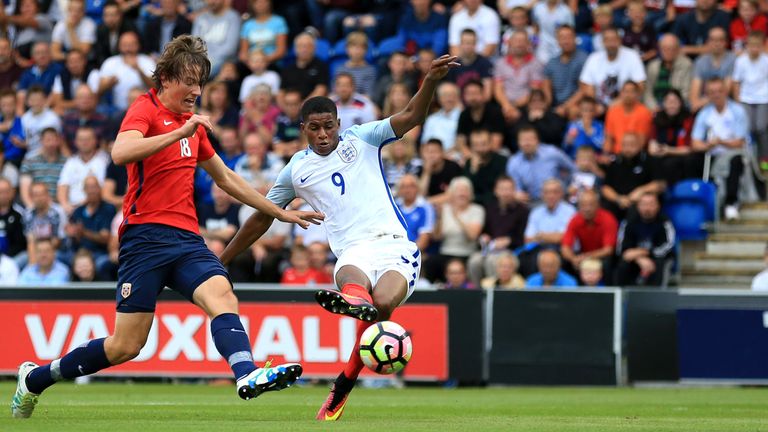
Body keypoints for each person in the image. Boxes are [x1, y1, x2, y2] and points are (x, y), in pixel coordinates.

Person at [10, 35, 323, 419]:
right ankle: (37, 377)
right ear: (166, 78)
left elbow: (225, 177)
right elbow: (120, 152)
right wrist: (178, 132)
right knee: (126, 345)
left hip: (187, 238)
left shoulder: (193, 126)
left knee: (222, 294)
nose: (196, 90)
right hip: (144, 238)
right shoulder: (146, 109)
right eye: (190, 80)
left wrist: (279, 211)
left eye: (201, 82)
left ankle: (246, 373)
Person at [219, 53, 460, 421]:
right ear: (303, 128)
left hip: (395, 245)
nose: (323, 134)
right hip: (353, 251)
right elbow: (260, 220)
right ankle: (352, 312)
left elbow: (411, 117)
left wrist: (429, 80)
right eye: (314, 128)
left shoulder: (363, 138)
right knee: (355, 281)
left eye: (328, 126)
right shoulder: (295, 171)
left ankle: (344, 375)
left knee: (381, 305)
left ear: (339, 123)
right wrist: (223, 259)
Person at [691, 78, 752, 221]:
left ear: (725, 92)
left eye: (719, 91)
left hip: (734, 152)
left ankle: (731, 203)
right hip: (712, 153)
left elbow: (740, 141)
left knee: (735, 162)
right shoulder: (705, 114)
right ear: (707, 94)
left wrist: (721, 142)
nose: (716, 95)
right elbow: (695, 142)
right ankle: (700, 202)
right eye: (712, 92)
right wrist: (708, 145)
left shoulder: (737, 111)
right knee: (691, 161)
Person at [467, 175, 529, 285]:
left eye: (509, 189)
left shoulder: (522, 211)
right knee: (474, 261)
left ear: (514, 191)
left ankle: (495, 293)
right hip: (490, 249)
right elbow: (484, 231)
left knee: (493, 261)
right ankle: (477, 292)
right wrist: (484, 237)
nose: (505, 193)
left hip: (512, 251)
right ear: (496, 191)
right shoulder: (489, 208)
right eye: (502, 189)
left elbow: (524, 238)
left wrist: (509, 241)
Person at [614, 192, 676, 286]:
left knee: (660, 263)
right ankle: (621, 296)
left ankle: (657, 296)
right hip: (635, 259)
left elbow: (668, 246)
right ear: (638, 206)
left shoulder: (665, 222)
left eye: (651, 204)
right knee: (623, 264)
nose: (647, 208)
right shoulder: (629, 222)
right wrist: (639, 259)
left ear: (658, 206)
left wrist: (644, 253)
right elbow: (622, 249)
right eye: (644, 204)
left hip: (657, 257)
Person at [601, 132, 664, 220]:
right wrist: (618, 199)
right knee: (604, 209)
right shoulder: (614, 163)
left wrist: (641, 190)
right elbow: (605, 188)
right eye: (625, 145)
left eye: (631, 145)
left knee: (639, 208)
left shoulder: (650, 160)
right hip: (619, 201)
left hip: (640, 202)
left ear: (639, 145)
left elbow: (660, 184)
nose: (628, 148)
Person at [579, 28, 646, 108]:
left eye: (614, 39)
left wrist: (615, 105)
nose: (611, 43)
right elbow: (585, 85)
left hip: (625, 106)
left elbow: (640, 86)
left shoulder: (632, 56)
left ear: (620, 41)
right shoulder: (593, 58)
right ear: (602, 42)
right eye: (607, 40)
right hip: (598, 108)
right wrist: (594, 106)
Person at [506, 126, 575, 203]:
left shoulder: (552, 152)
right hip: (531, 202)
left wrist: (571, 185)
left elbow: (573, 168)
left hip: (558, 198)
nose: (527, 143)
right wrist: (516, 194)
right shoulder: (514, 162)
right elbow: (516, 188)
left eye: (530, 139)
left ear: (537, 141)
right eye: (523, 140)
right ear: (518, 143)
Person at [65, 175, 116, 279]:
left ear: (100, 188)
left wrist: (84, 232)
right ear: (84, 190)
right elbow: (74, 236)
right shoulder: (78, 211)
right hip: (78, 252)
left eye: (94, 187)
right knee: (60, 259)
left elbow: (105, 238)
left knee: (101, 264)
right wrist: (72, 233)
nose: (92, 190)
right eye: (88, 187)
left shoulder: (108, 209)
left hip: (99, 253)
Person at [560, 189, 618, 280]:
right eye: (583, 205)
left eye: (591, 205)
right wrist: (573, 259)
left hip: (601, 256)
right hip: (583, 255)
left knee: (608, 262)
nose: (587, 208)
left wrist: (586, 257)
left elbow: (608, 250)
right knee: (564, 261)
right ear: (579, 206)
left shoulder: (608, 219)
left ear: (598, 205)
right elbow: (565, 247)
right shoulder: (575, 219)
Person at [731, 31, 768, 169]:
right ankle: (751, 160)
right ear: (747, 45)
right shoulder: (741, 61)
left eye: (757, 46)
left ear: (763, 46)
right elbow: (736, 82)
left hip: (764, 98)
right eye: (752, 45)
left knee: (761, 127)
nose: (754, 49)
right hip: (745, 99)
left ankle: (764, 159)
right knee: (748, 129)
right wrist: (737, 102)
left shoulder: (766, 60)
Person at [648, 89, 697, 186]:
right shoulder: (658, 119)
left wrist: (669, 150)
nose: (672, 105)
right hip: (662, 154)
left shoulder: (688, 119)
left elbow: (690, 148)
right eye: (668, 102)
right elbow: (651, 144)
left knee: (673, 164)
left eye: (675, 102)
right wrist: (655, 150)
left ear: (681, 103)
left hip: (681, 155)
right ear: (663, 104)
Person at [56, 127, 109, 215]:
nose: (84, 142)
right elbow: (62, 187)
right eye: (81, 139)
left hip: (96, 208)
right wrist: (65, 205)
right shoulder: (71, 162)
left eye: (88, 139)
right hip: (71, 209)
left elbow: (103, 190)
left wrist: (80, 207)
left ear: (95, 141)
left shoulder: (104, 161)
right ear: (76, 142)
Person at [97, 32, 155, 112]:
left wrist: (139, 70)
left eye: (131, 45)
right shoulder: (110, 62)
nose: (128, 48)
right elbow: (99, 90)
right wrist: (110, 83)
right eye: (124, 45)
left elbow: (155, 86)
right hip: (118, 110)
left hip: (143, 109)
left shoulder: (146, 61)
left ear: (138, 45)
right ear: (119, 46)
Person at [543, 25, 588, 119]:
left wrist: (565, 107)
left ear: (575, 38)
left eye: (569, 37)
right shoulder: (552, 62)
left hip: (576, 104)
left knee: (574, 111)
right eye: (562, 38)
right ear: (557, 41)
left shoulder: (584, 59)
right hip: (556, 103)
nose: (566, 41)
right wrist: (547, 104)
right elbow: (546, 85)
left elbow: (584, 89)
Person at [689, 27, 735, 113]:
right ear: (708, 42)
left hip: (727, 105)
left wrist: (701, 102)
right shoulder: (700, 61)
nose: (717, 43)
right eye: (713, 40)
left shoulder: (733, 60)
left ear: (726, 42)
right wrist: (697, 103)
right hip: (705, 105)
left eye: (720, 40)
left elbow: (726, 91)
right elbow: (694, 93)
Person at [191, 0, 241, 75]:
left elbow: (230, 48)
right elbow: (194, 43)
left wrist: (209, 60)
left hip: (224, 61)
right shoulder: (200, 18)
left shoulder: (233, 17)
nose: (212, 2)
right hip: (201, 61)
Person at [456, 79, 505, 155]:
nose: (472, 98)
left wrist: (479, 157)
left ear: (483, 94)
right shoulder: (464, 114)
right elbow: (460, 142)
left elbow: (496, 143)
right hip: (470, 154)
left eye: (475, 93)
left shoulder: (495, 112)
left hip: (492, 153)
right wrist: (470, 157)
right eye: (468, 94)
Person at [19, 128, 65, 207]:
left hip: (59, 207)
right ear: (41, 141)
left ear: (58, 141)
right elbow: (25, 190)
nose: (51, 144)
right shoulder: (29, 161)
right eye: (48, 140)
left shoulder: (66, 162)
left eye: (54, 140)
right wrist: (32, 208)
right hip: (36, 207)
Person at [604, 81, 653, 154]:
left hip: (635, 155)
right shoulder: (612, 112)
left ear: (637, 94)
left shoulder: (644, 112)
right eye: (626, 91)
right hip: (615, 154)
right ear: (621, 93)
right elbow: (608, 139)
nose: (628, 95)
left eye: (632, 91)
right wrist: (605, 154)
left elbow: (641, 141)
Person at [445, 29, 494, 101]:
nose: (467, 46)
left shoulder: (485, 63)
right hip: (459, 106)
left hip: (479, 104)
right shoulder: (453, 65)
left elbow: (487, 94)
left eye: (471, 43)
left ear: (475, 44)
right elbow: (451, 91)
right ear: (460, 44)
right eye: (465, 42)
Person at [279, 32, 330, 101]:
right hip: (290, 107)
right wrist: (288, 108)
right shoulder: (288, 69)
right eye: (300, 46)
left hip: (312, 108)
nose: (304, 49)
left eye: (308, 46)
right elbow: (281, 93)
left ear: (314, 48)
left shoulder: (321, 66)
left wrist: (304, 107)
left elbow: (321, 90)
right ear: (295, 49)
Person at [463, 129, 508, 205]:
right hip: (474, 206)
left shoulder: (502, 161)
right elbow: (466, 189)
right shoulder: (469, 163)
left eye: (483, 144)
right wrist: (473, 169)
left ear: (490, 143)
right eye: (476, 145)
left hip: (497, 205)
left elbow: (501, 189)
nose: (480, 149)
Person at [238, 0, 288, 65]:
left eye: (263, 2)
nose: (260, 4)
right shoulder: (247, 25)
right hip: (252, 64)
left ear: (269, 3)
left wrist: (262, 61)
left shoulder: (278, 21)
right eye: (257, 2)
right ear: (252, 5)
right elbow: (243, 53)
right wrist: (252, 63)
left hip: (273, 63)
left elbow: (281, 50)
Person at [421, 82, 462, 156]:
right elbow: (425, 143)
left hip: (455, 157)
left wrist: (443, 155)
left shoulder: (462, 116)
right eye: (445, 95)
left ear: (457, 97)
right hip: (432, 157)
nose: (449, 99)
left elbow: (462, 143)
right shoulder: (431, 119)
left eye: (452, 95)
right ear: (439, 99)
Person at [418, 138, 464, 205]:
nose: (431, 155)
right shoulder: (421, 169)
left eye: (434, 152)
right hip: (429, 206)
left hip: (449, 205)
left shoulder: (453, 167)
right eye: (428, 152)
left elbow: (453, 194)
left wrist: (426, 202)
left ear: (442, 153)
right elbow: (420, 195)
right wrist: (427, 173)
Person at [396, 173, 435, 252]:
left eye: (411, 186)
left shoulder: (425, 208)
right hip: (394, 251)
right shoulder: (394, 207)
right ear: (399, 190)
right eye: (403, 187)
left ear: (417, 188)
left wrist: (408, 255)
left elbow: (424, 240)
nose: (407, 190)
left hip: (415, 253)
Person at [333, 32, 376, 97]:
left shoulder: (370, 70)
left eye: (361, 47)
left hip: (360, 105)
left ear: (366, 50)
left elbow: (368, 96)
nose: (357, 51)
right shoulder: (340, 69)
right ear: (347, 49)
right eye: (353, 47)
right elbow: (334, 93)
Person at [0, 177, 26, 259]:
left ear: (12, 193)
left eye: (6, 191)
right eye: (0, 192)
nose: (3, 195)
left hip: (12, 258)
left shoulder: (19, 214)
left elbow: (20, 244)